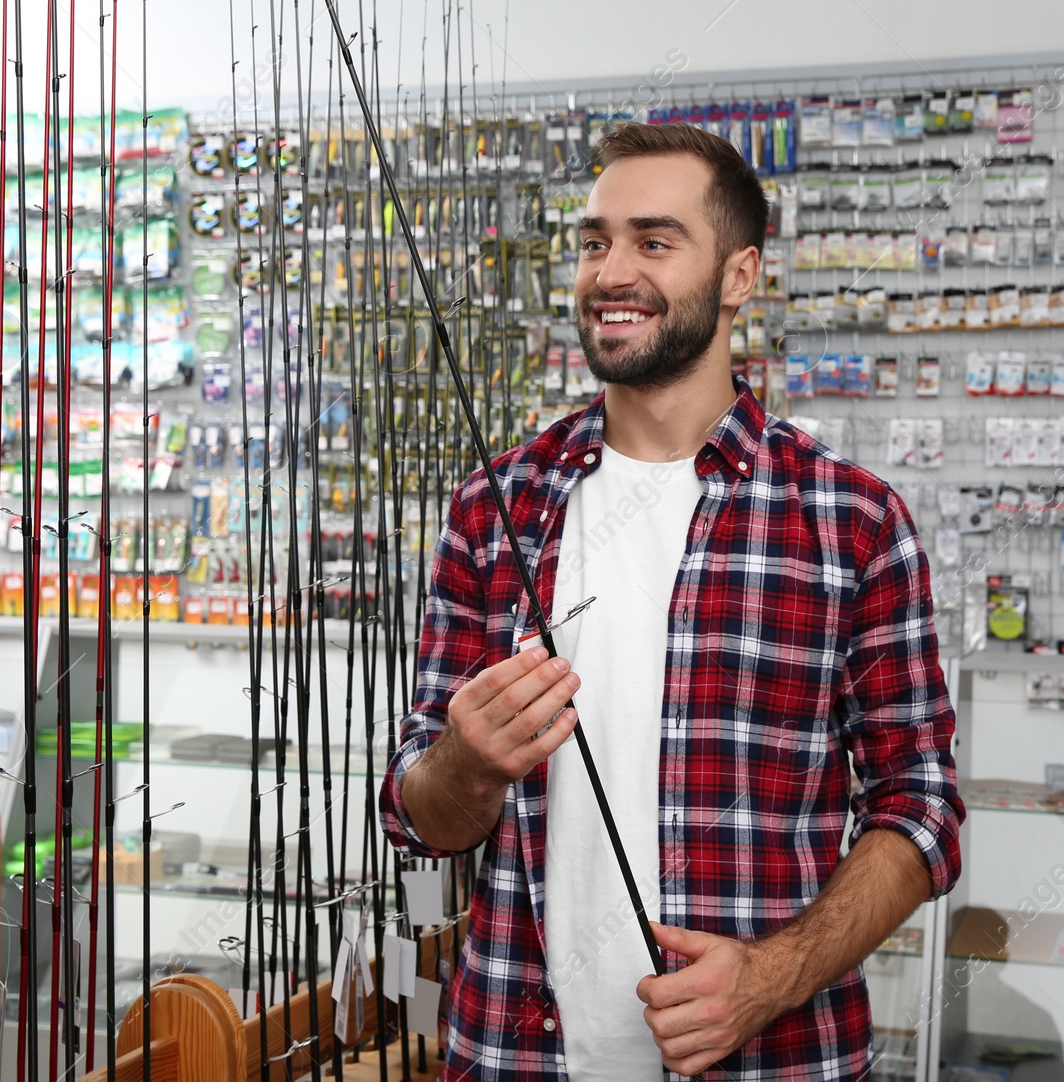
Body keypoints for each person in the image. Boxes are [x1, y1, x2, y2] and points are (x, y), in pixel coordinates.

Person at [380, 120, 964, 1081]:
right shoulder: (496, 509)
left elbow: (922, 805)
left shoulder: (851, 520)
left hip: (774, 1059)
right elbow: (421, 813)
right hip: (512, 1056)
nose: (612, 271)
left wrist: (772, 977)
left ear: (738, 276)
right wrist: (465, 766)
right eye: (594, 241)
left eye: (655, 242)